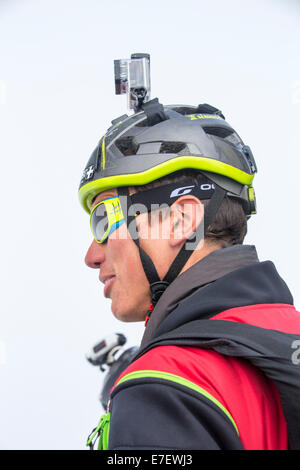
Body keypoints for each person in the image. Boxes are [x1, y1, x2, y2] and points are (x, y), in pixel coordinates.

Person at [79, 100, 300, 450]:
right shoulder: (287, 335)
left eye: (104, 220)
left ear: (182, 221)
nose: (92, 255)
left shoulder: (162, 387)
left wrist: (146, 398)